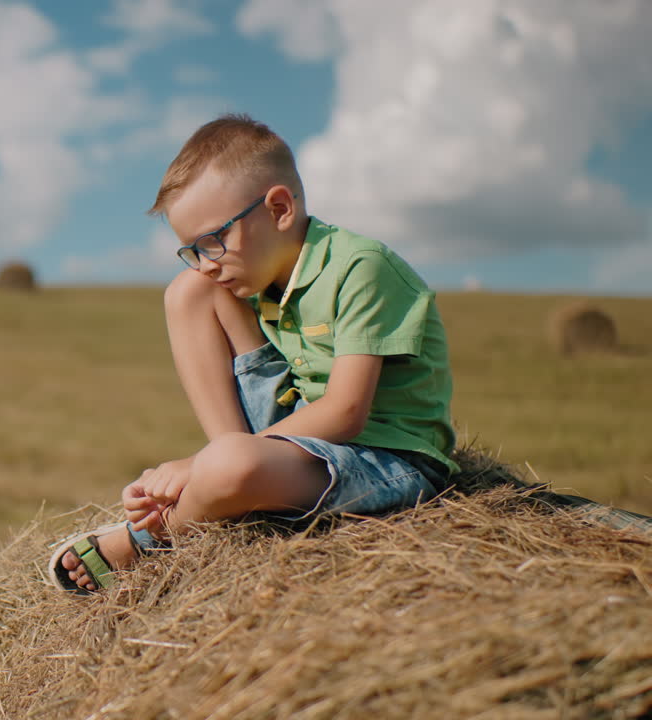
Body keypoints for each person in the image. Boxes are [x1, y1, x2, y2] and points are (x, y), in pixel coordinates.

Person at [51, 114, 459, 593]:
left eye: (212, 243)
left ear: (280, 209)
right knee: (189, 294)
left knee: (227, 464)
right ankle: (227, 484)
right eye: (191, 249)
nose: (205, 263)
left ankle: (148, 540)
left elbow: (347, 413)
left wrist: (204, 464)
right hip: (300, 433)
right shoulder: (264, 272)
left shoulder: (362, 269)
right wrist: (222, 457)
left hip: (387, 460)